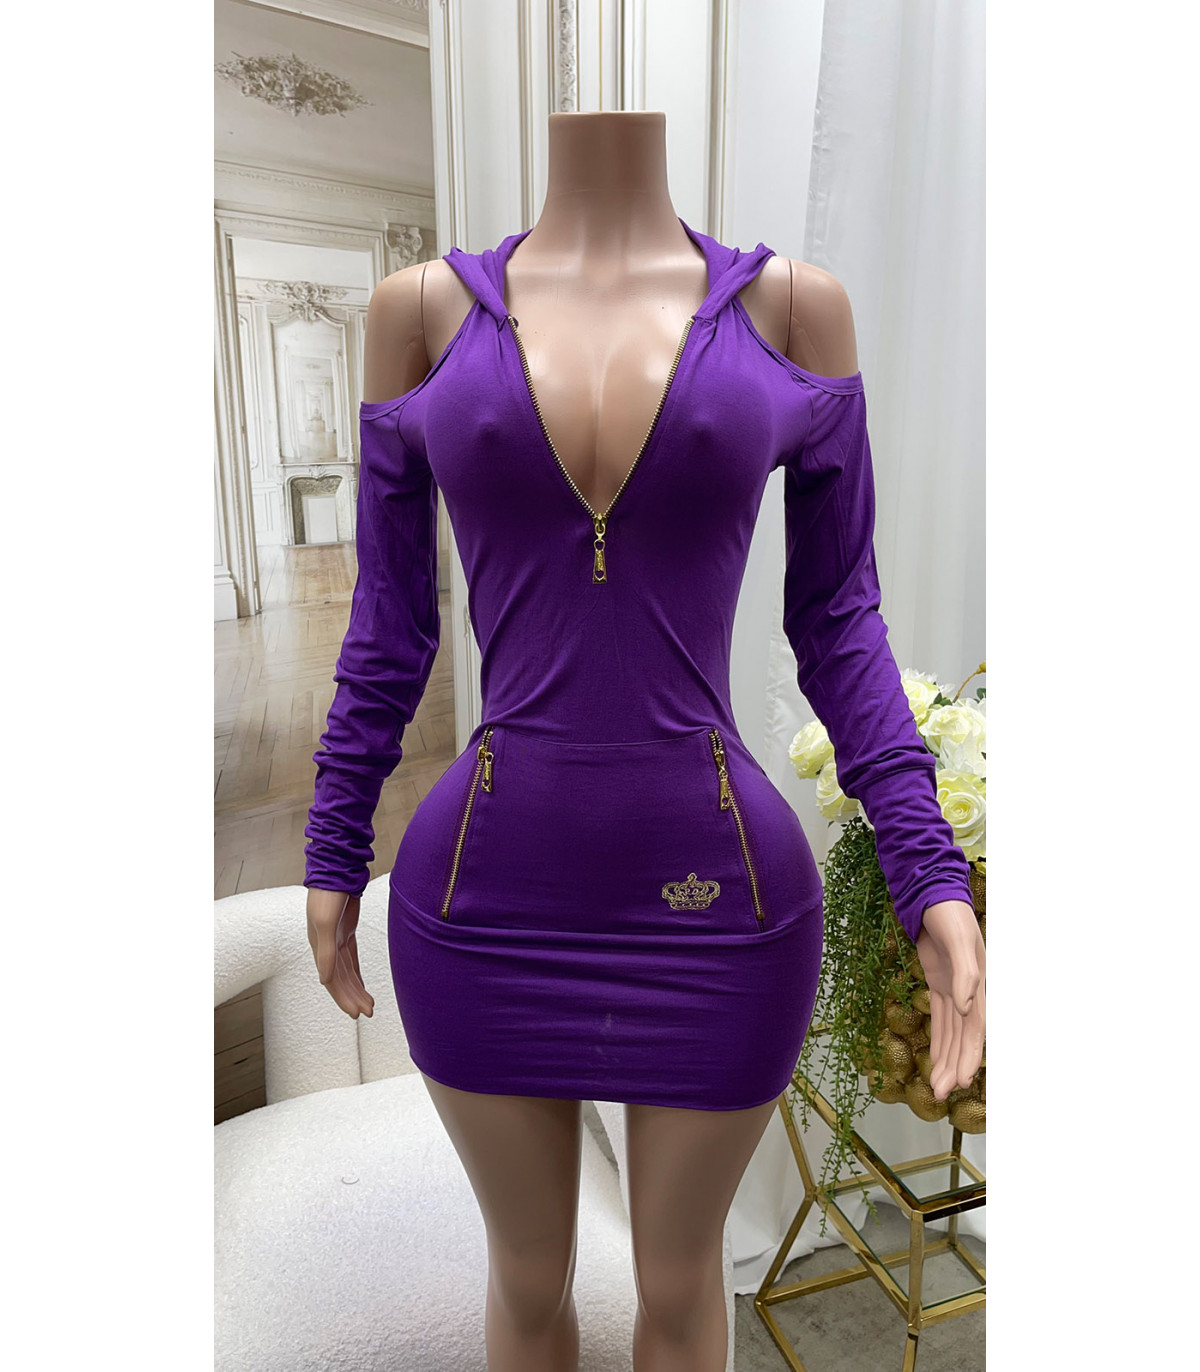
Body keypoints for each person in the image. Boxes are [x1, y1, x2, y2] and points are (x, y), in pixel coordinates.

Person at [303, 111, 985, 1372]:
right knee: (526, 1276)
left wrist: (928, 871)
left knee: (678, 1283)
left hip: (720, 910)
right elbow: (391, 625)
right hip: (481, 906)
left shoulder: (792, 310)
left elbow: (839, 622)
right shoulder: (420, 314)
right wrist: (334, 844)